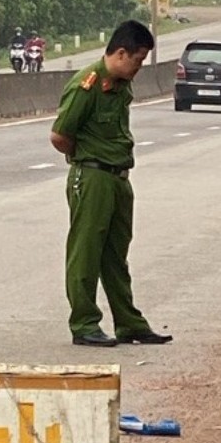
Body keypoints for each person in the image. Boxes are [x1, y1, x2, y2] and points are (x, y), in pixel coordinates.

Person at [51, 20, 171, 348]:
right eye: (138, 59)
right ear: (120, 53)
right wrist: (87, 157)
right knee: (86, 253)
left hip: (119, 177)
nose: (140, 66)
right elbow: (60, 136)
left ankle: (129, 323)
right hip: (92, 177)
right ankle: (85, 323)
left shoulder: (121, 85)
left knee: (116, 255)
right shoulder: (86, 86)